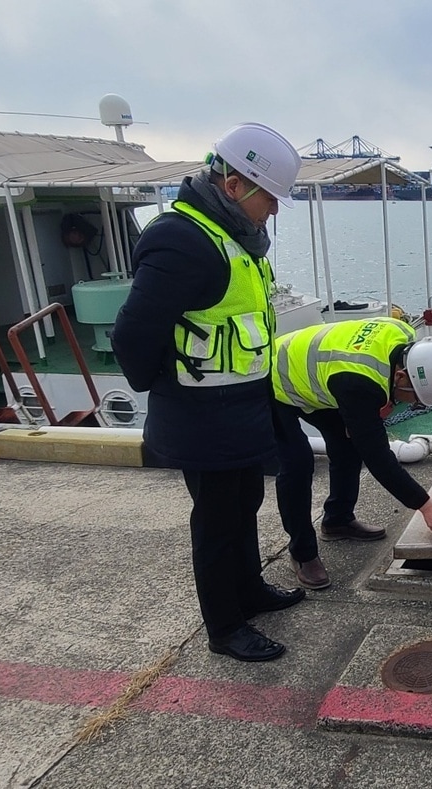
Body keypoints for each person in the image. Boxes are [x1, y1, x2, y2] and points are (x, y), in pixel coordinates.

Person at [112, 122, 305, 663]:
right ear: (234, 185)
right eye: (270, 198)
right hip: (202, 415)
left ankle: (248, 591)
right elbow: (133, 335)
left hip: (241, 409)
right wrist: (172, 391)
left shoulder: (233, 238)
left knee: (245, 502)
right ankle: (224, 627)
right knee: (217, 521)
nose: (272, 210)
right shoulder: (183, 238)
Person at [272, 317, 432, 589]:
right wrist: (425, 505)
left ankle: (337, 520)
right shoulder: (360, 384)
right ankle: (302, 553)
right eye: (416, 400)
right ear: (400, 376)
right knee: (297, 464)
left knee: (347, 447)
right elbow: (378, 458)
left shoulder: (402, 332)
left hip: (320, 378)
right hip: (274, 380)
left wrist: (366, 418)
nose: (412, 406)